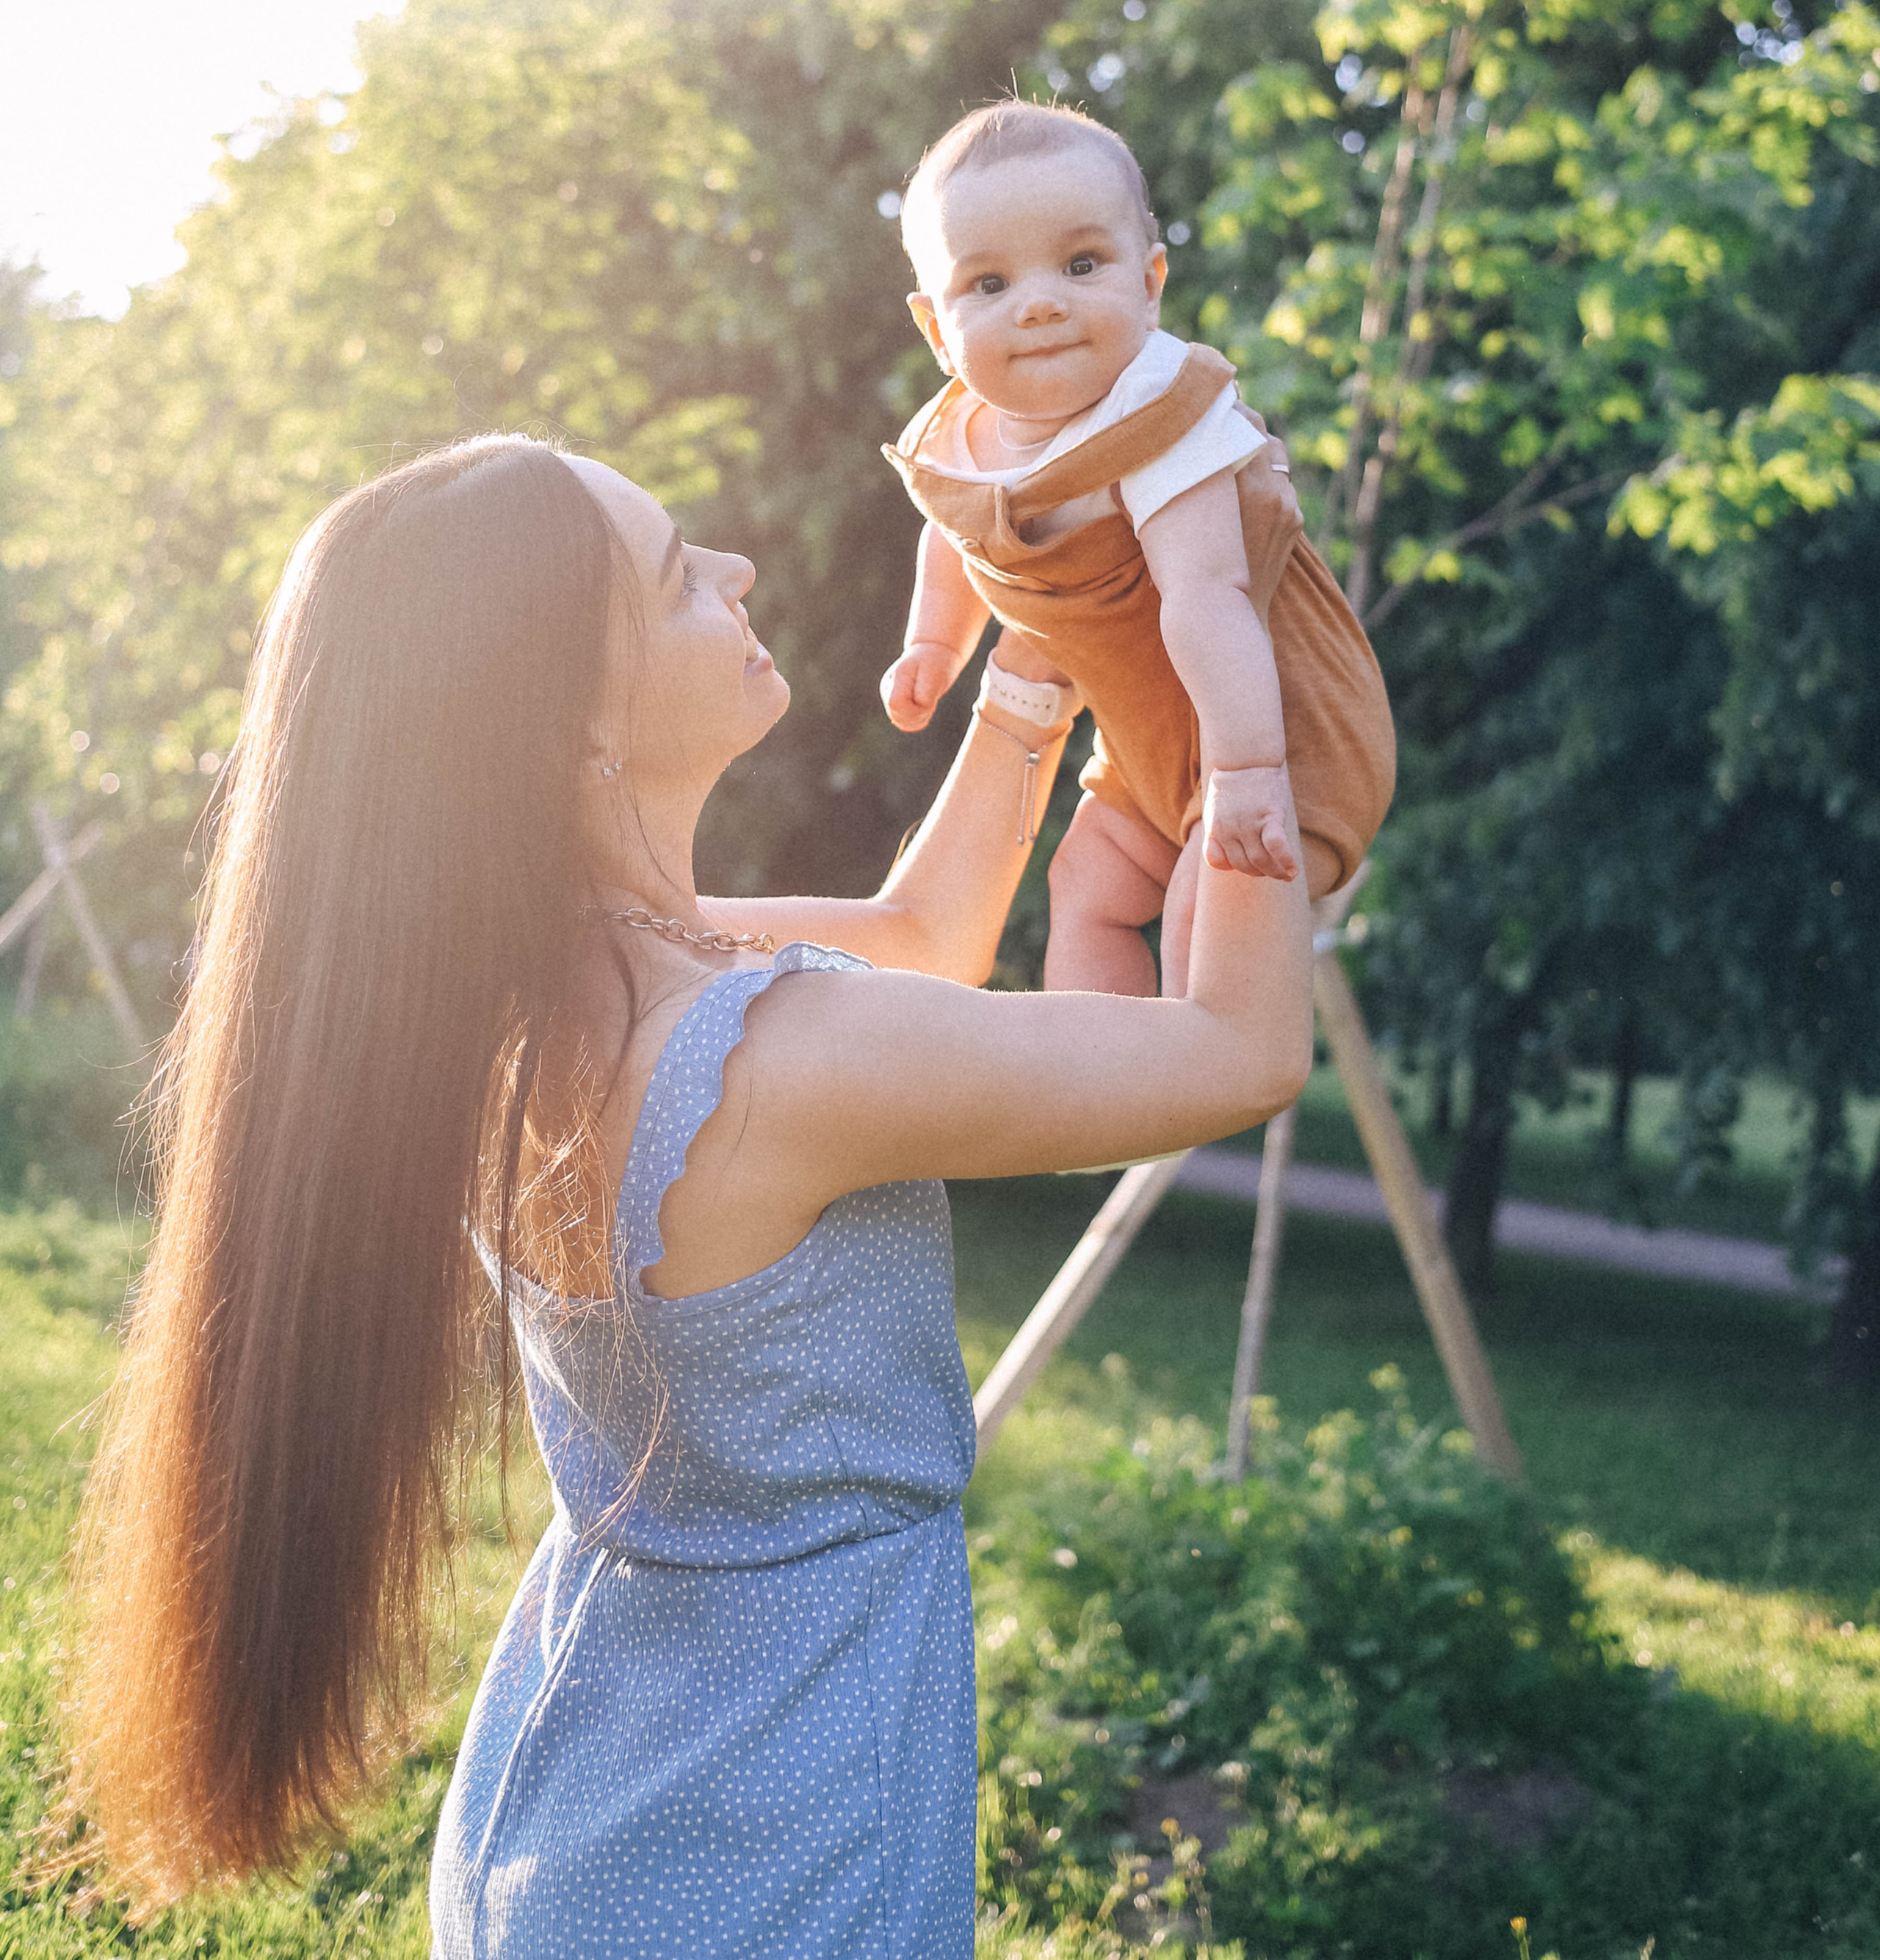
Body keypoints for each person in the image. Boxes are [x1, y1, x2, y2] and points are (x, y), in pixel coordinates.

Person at [68, 432, 1311, 1955]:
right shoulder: (781, 1062)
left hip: (596, 1810)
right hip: (767, 1835)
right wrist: (1257, 706)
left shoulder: (536, 993)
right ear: (574, 726)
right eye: (674, 580)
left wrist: (1043, 643)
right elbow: (1240, 1049)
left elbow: (922, 932)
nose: (732, 573)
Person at [881, 98, 1395, 995]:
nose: (1040, 304)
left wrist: (1246, 771)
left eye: (1081, 265)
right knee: (1086, 886)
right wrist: (933, 644)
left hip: (1279, 733)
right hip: (1147, 752)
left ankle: (1186, 1071)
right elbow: (956, 528)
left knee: (1210, 913)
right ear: (935, 327)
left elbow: (1208, 596)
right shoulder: (960, 435)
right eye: (990, 285)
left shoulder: (1157, 416)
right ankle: (1103, 1088)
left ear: (1150, 282)